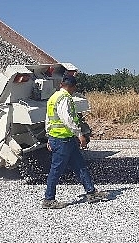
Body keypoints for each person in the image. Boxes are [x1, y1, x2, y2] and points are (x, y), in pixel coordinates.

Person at [42, 74, 106, 208]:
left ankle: (91, 192)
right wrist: (80, 134)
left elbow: (48, 119)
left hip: (63, 139)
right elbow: (68, 119)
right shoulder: (65, 99)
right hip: (62, 140)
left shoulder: (53, 98)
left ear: (61, 85)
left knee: (80, 165)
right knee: (56, 170)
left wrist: (48, 137)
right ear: (72, 87)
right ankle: (48, 199)